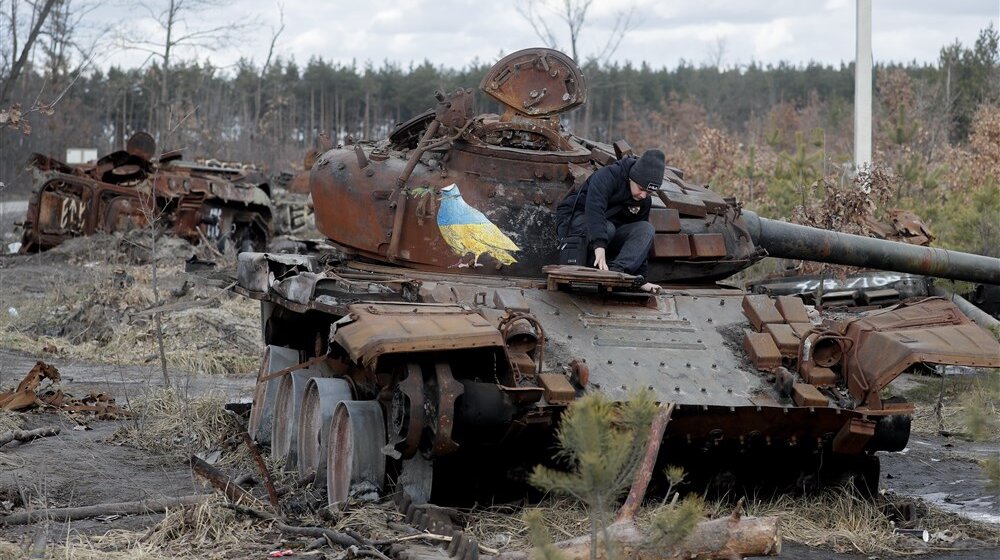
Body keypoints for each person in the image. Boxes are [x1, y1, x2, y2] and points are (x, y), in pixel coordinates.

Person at [555, 149, 665, 293]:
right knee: (608, 228)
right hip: (576, 221)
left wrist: (642, 279)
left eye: (649, 192)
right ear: (632, 178)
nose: (644, 195)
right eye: (641, 188)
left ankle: (616, 271)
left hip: (605, 234)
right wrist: (599, 245)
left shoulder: (643, 200)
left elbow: (642, 242)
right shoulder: (608, 176)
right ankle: (590, 265)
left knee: (646, 229)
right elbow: (594, 209)